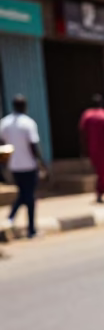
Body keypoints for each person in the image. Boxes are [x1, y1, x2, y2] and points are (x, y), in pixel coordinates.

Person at [0, 94, 44, 238]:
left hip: (14, 165)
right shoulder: (28, 123)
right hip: (28, 165)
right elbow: (33, 146)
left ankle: (10, 218)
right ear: (24, 106)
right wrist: (41, 163)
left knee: (24, 194)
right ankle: (31, 230)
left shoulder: (4, 123)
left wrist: (5, 161)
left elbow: (2, 144)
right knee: (29, 197)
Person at [78, 94, 104, 203]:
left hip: (92, 148)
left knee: (100, 171)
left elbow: (82, 133)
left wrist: (83, 148)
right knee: (103, 171)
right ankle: (101, 192)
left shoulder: (87, 115)